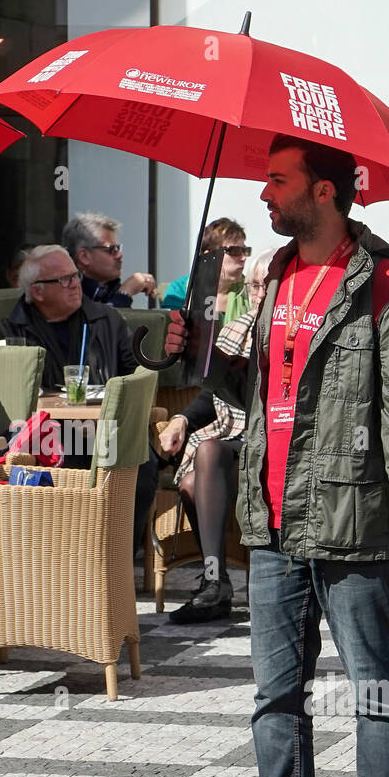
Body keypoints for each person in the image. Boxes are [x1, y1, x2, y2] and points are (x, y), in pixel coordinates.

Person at [206, 135, 389, 777]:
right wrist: (206, 336)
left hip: (353, 518)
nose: (262, 194)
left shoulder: (382, 287)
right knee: (275, 693)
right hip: (273, 517)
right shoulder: (267, 276)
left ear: (323, 192)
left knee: (374, 686)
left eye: (276, 180)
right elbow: (231, 390)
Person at [0, 244, 158, 551]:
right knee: (51, 462)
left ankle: (115, 552)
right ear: (38, 291)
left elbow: (133, 374)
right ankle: (62, 553)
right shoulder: (12, 330)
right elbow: (11, 393)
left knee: (140, 464)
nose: (75, 284)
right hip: (48, 431)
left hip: (104, 427)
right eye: (64, 280)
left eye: (75, 276)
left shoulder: (106, 320)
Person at [156, 249, 271, 623]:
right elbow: (213, 394)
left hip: (271, 435)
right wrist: (180, 420)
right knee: (190, 482)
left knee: (207, 452)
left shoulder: (286, 331)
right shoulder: (240, 326)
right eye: (253, 286)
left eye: (266, 285)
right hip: (230, 435)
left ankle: (216, 584)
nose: (258, 294)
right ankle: (216, 581)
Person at [161, 218, 252, 322]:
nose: (243, 258)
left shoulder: (251, 290)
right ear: (209, 255)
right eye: (235, 251)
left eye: (245, 251)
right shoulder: (180, 291)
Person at [62, 212, 156, 307]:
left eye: (117, 248)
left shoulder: (107, 288)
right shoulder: (66, 293)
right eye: (111, 250)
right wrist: (124, 293)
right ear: (84, 257)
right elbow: (102, 321)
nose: (119, 255)